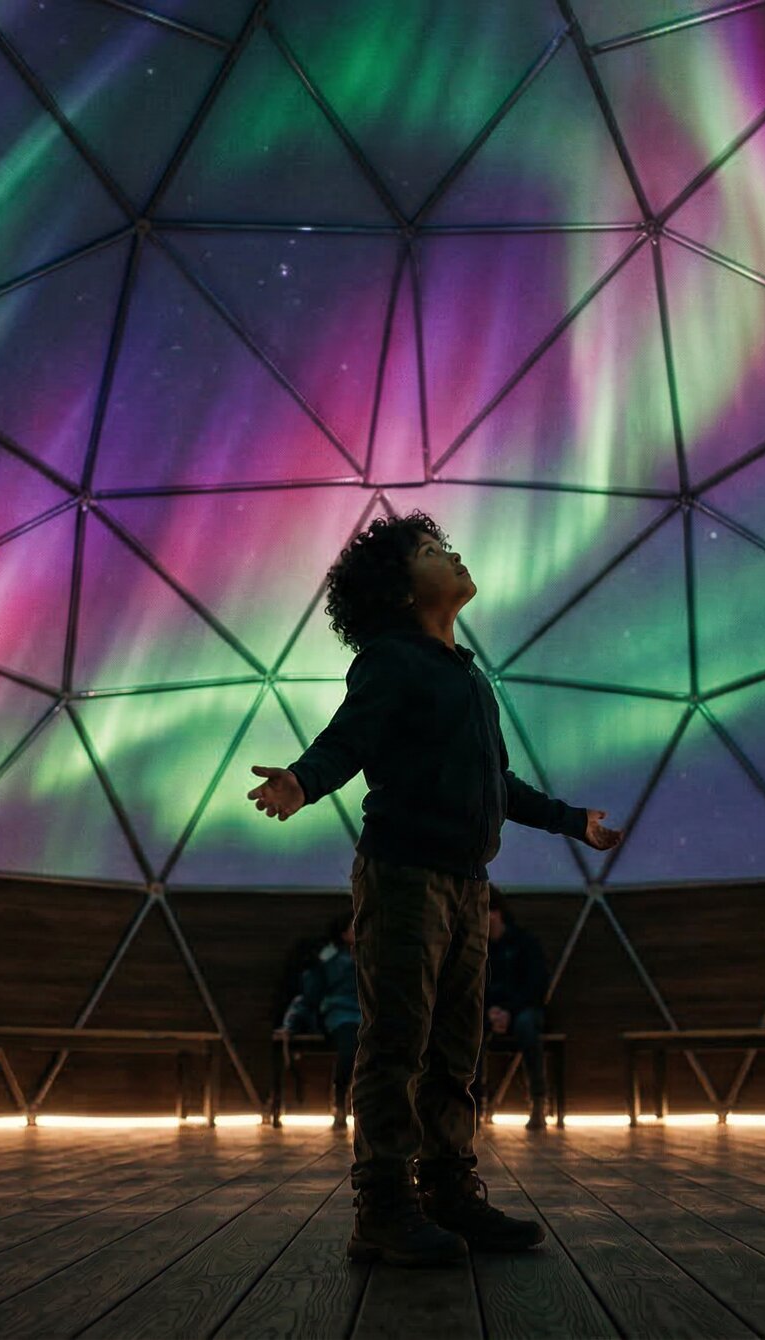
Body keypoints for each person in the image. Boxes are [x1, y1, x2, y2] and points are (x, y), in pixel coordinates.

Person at [246, 513, 625, 1269]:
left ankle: (450, 1191)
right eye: (430, 551)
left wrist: (569, 821)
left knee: (458, 1047)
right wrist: (302, 782)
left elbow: (498, 784)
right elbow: (347, 740)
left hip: (465, 883)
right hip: (405, 878)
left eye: (446, 544)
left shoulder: (471, 680)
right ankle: (383, 1209)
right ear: (397, 590)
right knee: (396, 1042)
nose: (452, 553)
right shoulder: (391, 661)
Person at [482, 890, 553, 1131]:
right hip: (491, 1012)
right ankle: (473, 1103)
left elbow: (535, 985)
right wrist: (491, 1011)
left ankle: (538, 1103)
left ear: (496, 914)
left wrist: (508, 1011)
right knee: (469, 1028)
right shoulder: (479, 949)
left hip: (522, 1010)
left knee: (526, 1026)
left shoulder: (524, 943)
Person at [283, 910, 360, 1130]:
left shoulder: (371, 955)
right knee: (348, 1047)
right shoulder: (331, 957)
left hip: (366, 1012)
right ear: (344, 933)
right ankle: (340, 1101)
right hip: (340, 1012)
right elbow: (312, 990)